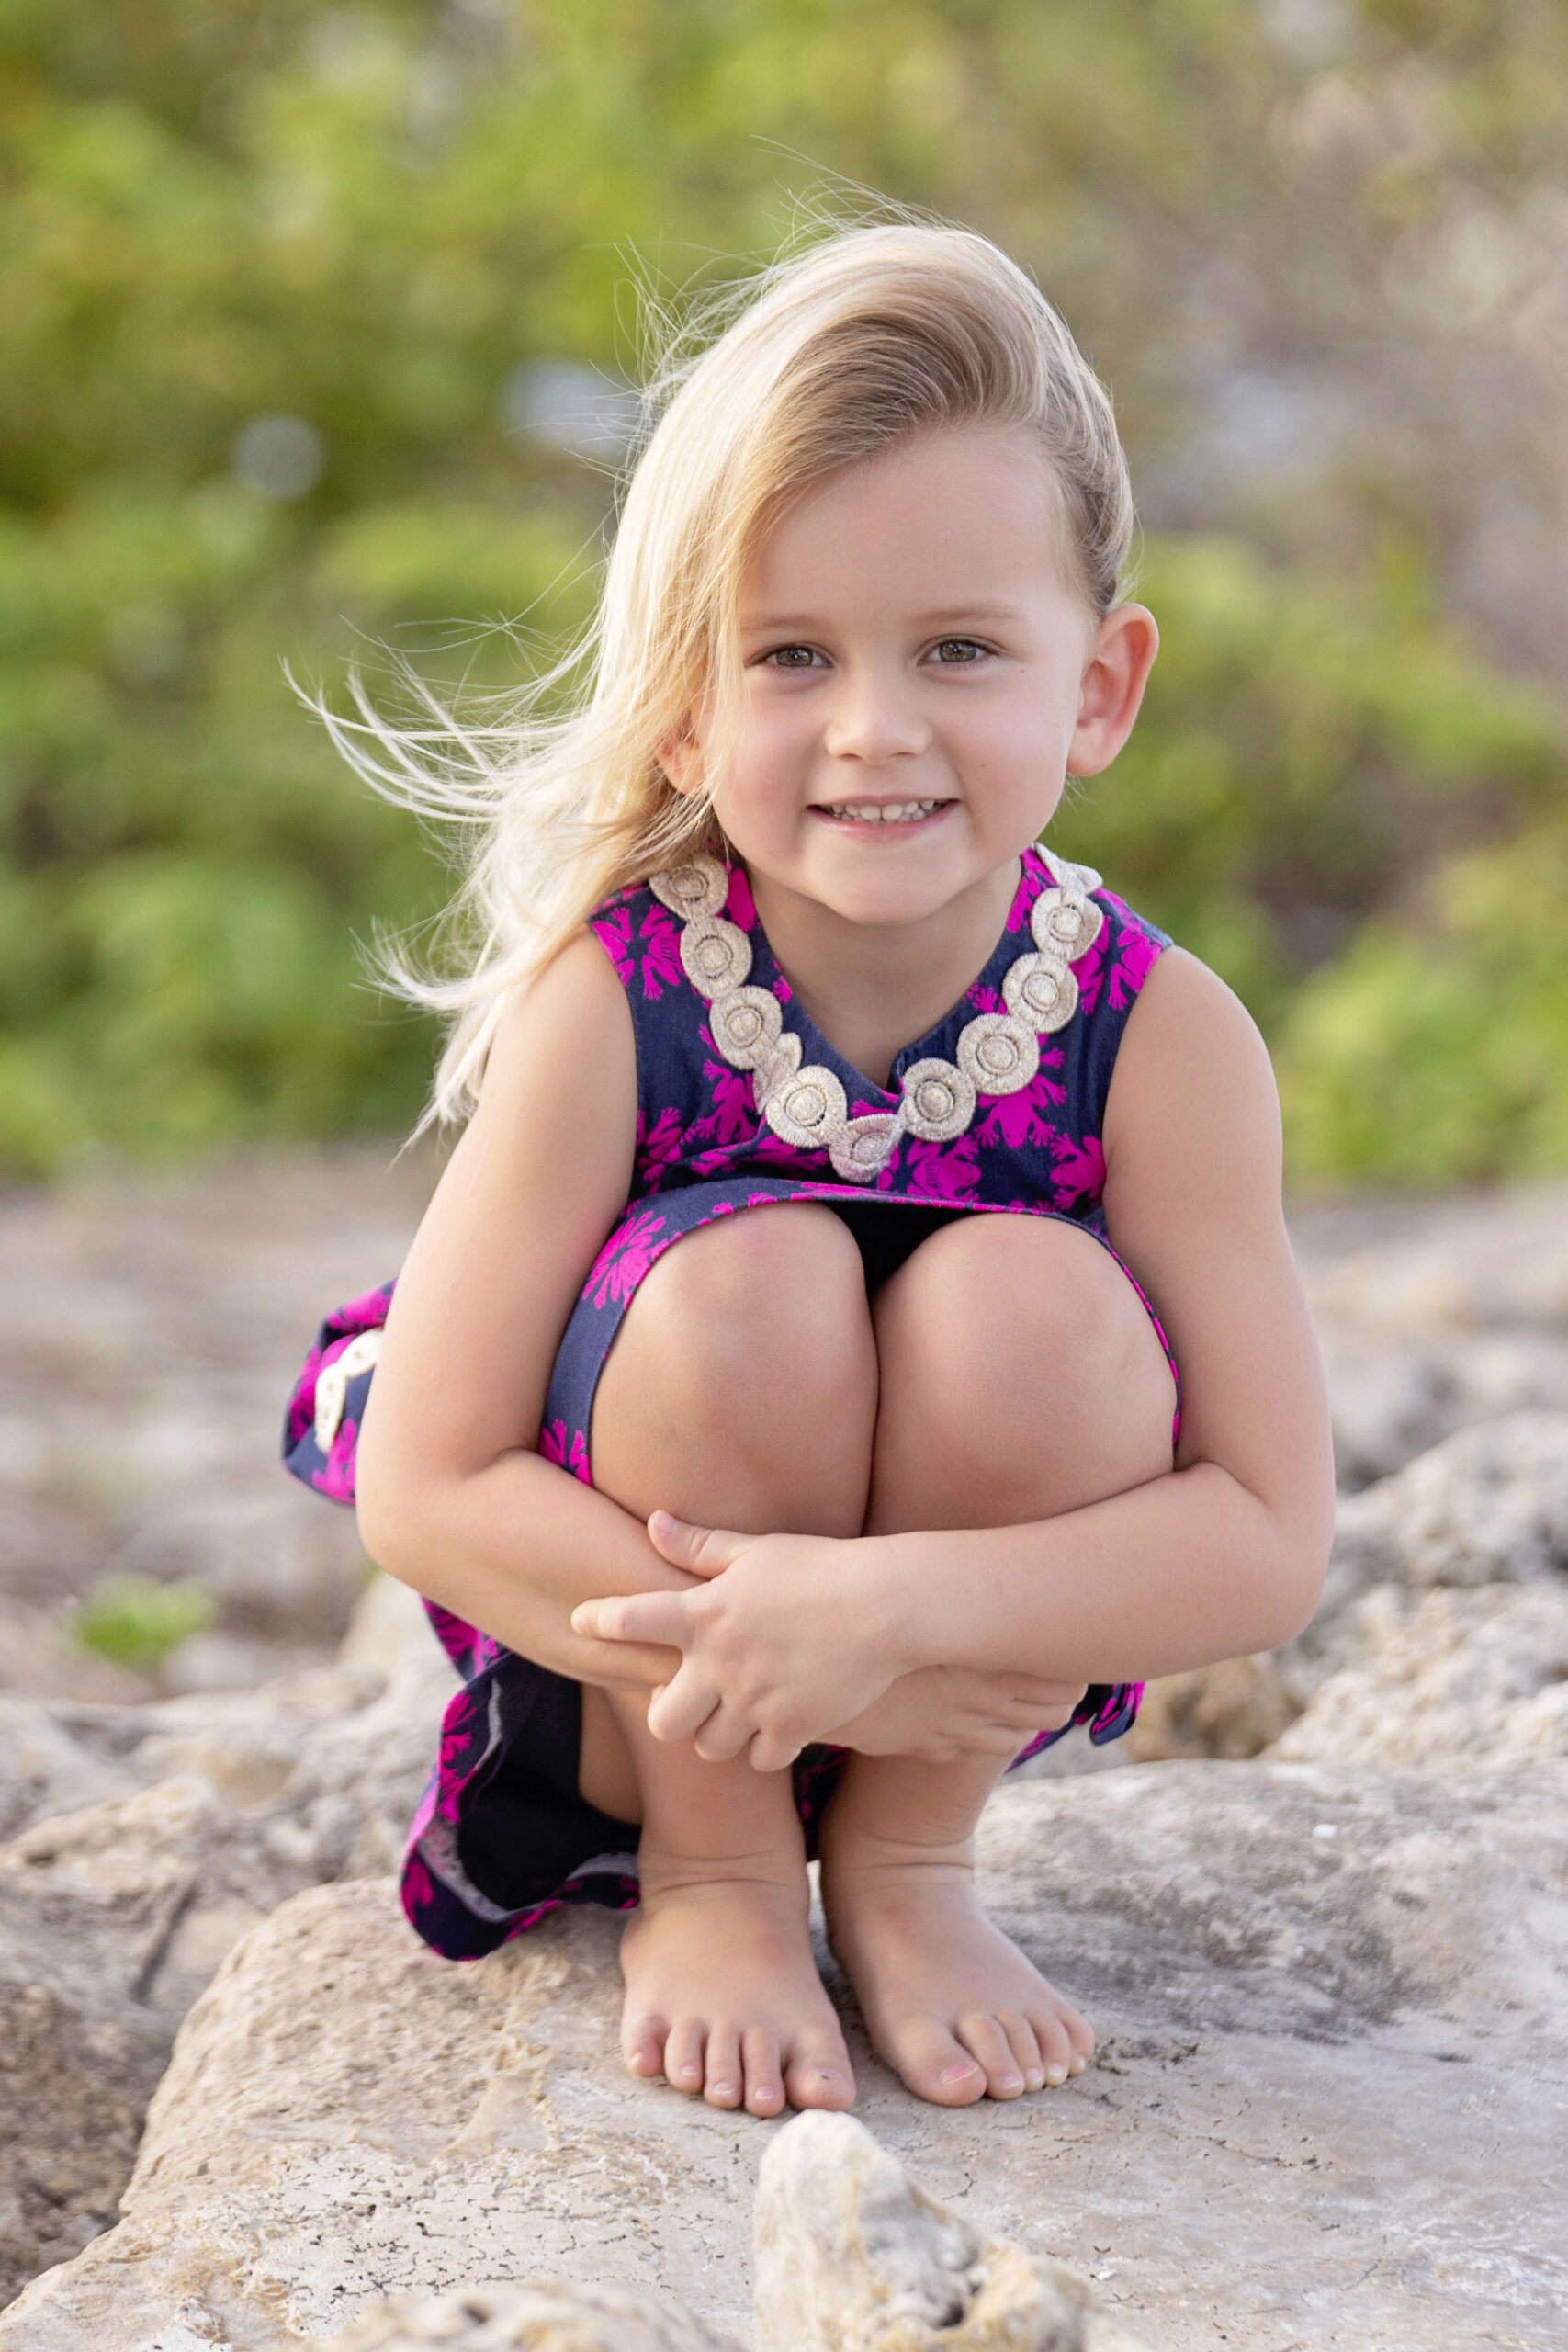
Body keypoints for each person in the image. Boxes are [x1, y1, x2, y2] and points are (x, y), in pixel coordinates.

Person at [283, 219, 1335, 2122]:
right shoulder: (609, 1002)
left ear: (1096, 684)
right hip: (641, 1685)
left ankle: (907, 1866)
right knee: (744, 1285)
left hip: (951, 1671)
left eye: (957, 647)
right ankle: (721, 1869)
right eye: (790, 653)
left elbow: (1265, 1527)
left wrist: (891, 1617)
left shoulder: (1159, 1035)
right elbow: (427, 1488)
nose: (874, 725)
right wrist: (775, 1645)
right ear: (684, 699)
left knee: (1038, 1303)